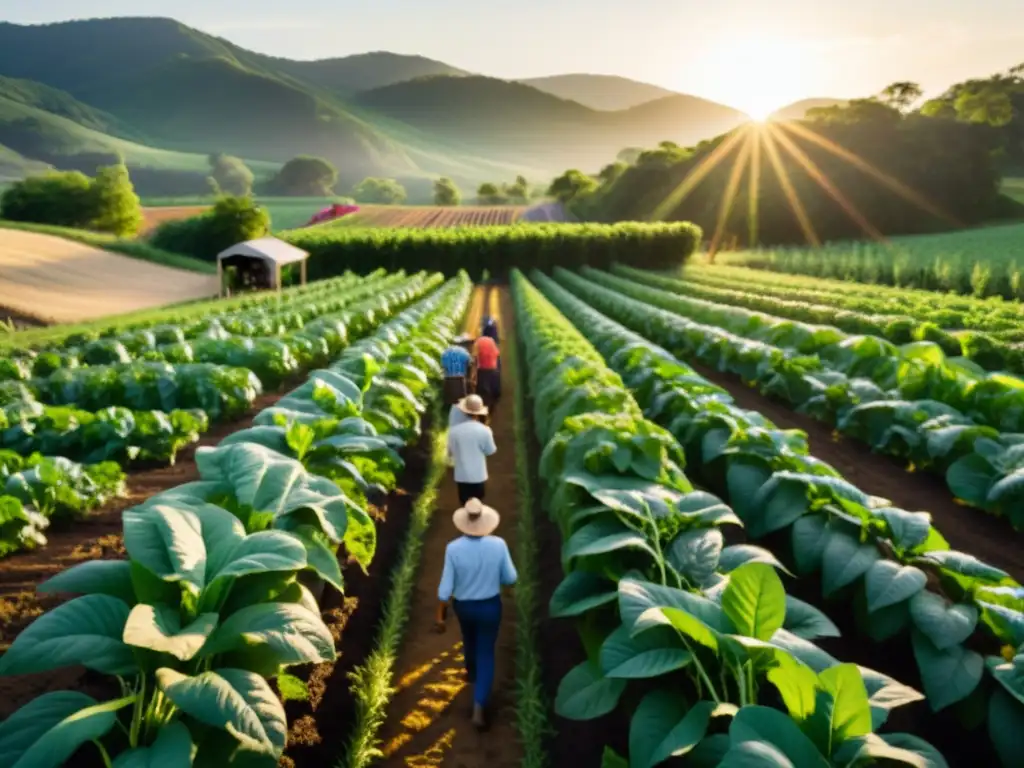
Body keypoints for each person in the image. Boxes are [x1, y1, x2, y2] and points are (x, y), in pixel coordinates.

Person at [435, 498, 517, 730]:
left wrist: (440, 615)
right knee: (486, 652)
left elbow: (445, 588)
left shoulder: (453, 548)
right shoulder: (499, 545)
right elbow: (510, 578)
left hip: (464, 607)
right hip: (490, 606)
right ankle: (479, 705)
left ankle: (471, 673)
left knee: (468, 639)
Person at [447, 395, 496, 504]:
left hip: (461, 476)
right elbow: (490, 451)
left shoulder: (454, 431)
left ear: (464, 411)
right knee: (477, 504)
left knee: (464, 504)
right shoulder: (485, 430)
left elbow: (452, 452)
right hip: (479, 475)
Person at [441, 334, 475, 407]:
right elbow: (470, 364)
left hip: (447, 381)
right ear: (463, 343)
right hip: (459, 381)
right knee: (462, 403)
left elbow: (444, 367)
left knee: (450, 404)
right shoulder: (464, 352)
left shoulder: (445, 352)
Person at [473, 333, 501, 407]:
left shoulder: (478, 342)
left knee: (483, 389)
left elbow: (475, 356)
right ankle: (493, 402)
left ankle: (484, 405)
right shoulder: (491, 341)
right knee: (493, 386)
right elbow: (497, 353)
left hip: (483, 369)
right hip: (493, 368)